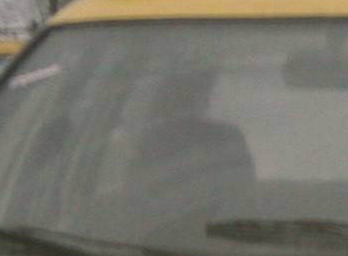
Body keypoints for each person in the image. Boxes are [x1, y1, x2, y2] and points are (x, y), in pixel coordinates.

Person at [104, 66, 254, 239]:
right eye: (188, 92)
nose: (199, 99)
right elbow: (135, 210)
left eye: (202, 91)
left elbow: (244, 199)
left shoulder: (227, 138)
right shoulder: (152, 146)